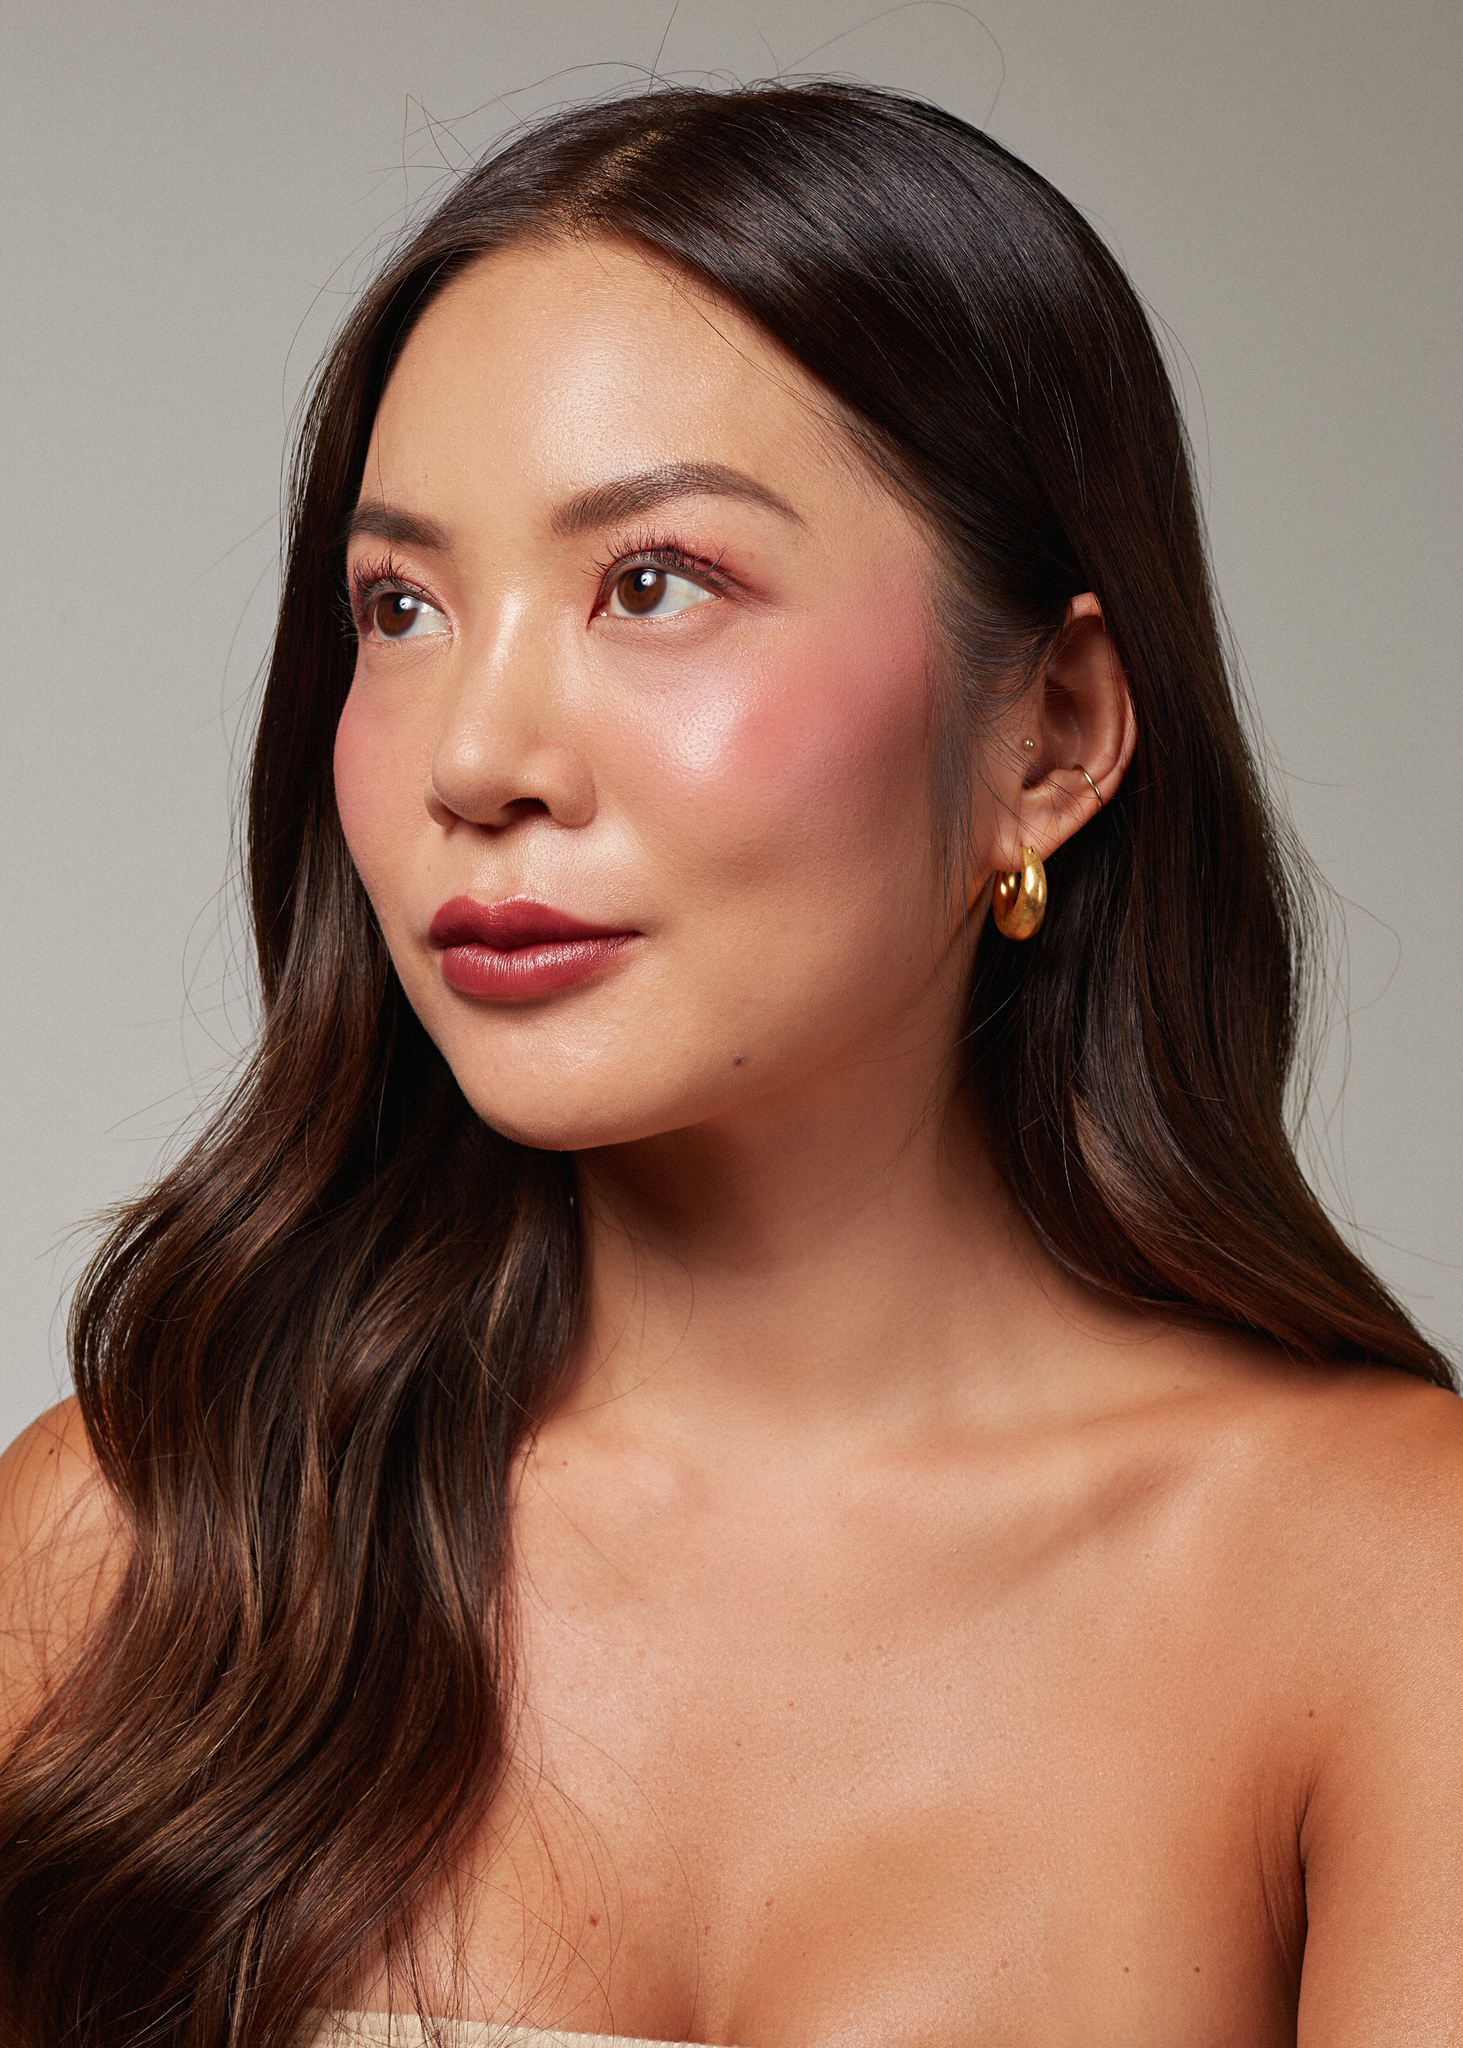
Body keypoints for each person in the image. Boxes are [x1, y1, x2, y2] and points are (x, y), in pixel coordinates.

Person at [1, 80, 1458, 2048]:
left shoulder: (1381, 1593)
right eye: (400, 605)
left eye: (652, 581)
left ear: (1049, 733)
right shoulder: (132, 1544)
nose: (475, 757)